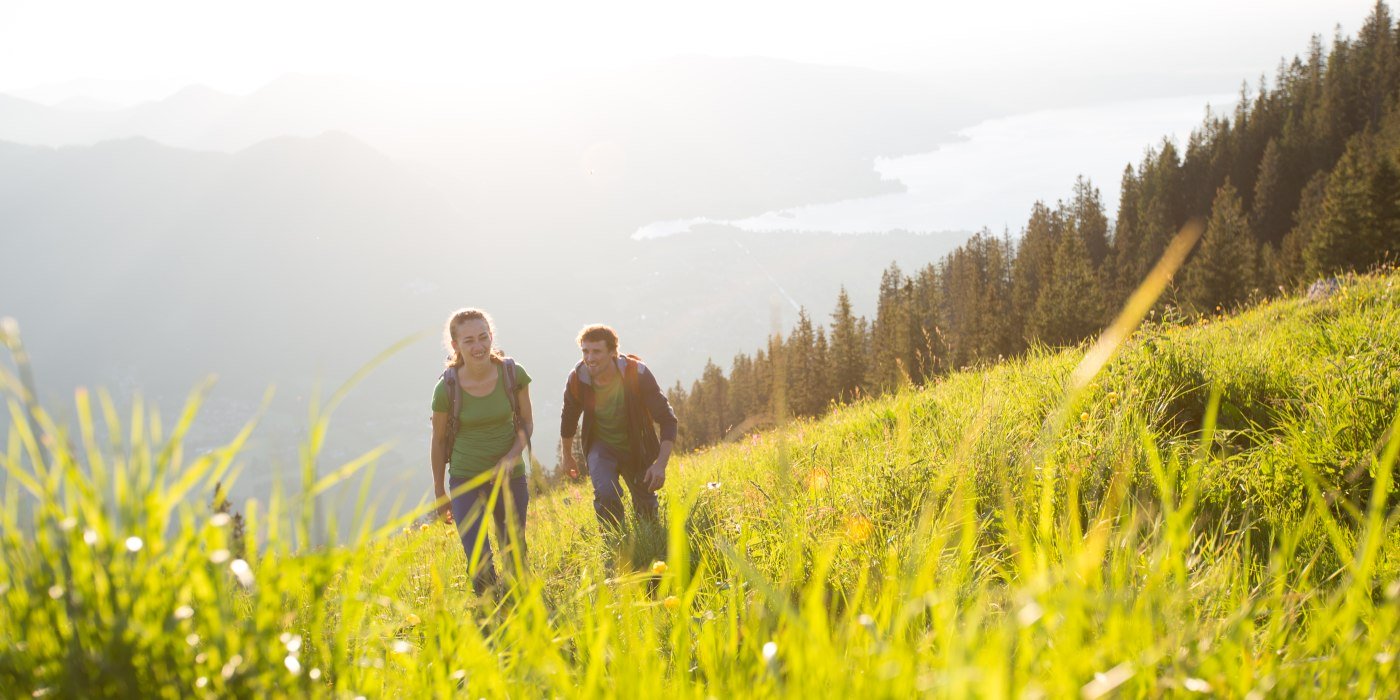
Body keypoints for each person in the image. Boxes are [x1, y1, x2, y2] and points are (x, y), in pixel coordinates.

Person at [430, 308, 533, 595]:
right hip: (465, 477)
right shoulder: (446, 389)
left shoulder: (513, 374)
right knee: (478, 557)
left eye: (483, 337)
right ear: (455, 346)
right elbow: (438, 442)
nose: (478, 347)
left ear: (491, 336)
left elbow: (526, 422)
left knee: (514, 553)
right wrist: (440, 491)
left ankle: (523, 614)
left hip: (510, 477)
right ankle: (490, 617)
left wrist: (511, 457)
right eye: (468, 341)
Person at [560, 324, 678, 529]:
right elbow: (569, 418)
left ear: (613, 352)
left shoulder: (636, 373)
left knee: (648, 515)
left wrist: (660, 464)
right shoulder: (578, 378)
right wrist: (567, 456)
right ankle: (615, 544)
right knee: (605, 494)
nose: (590, 358)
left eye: (596, 351)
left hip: (636, 446)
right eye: (585, 351)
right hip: (601, 447)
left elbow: (667, 419)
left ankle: (649, 543)